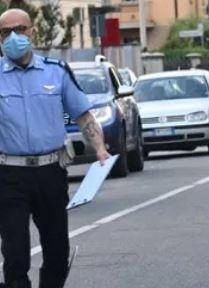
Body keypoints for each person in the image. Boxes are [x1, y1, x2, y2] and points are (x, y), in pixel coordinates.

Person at [0, 9, 110, 288]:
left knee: (57, 250)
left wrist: (99, 148)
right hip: (8, 175)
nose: (14, 36)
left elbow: (84, 116)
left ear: (33, 32)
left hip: (50, 172)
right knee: (15, 253)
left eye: (21, 29)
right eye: (5, 32)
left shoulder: (56, 71)